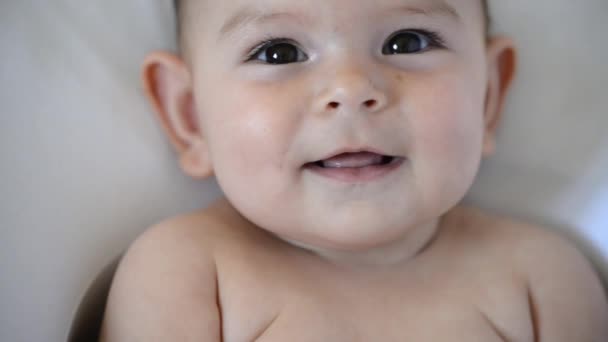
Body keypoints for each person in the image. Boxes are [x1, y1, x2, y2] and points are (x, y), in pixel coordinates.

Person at [100, 0, 608, 340]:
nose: (349, 87)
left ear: (487, 97)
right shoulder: (187, 273)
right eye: (279, 52)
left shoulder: (541, 276)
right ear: (190, 115)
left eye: (407, 42)